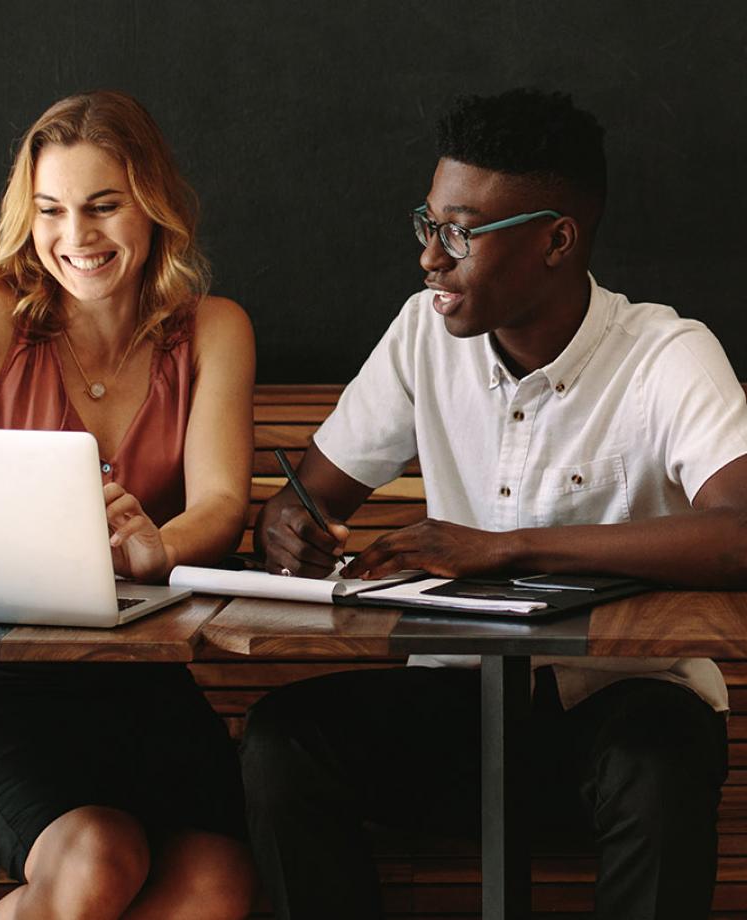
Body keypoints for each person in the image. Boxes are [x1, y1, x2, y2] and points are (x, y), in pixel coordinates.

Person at [243, 88, 747, 920]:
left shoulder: (666, 353)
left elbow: (739, 535)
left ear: (557, 241)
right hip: (461, 707)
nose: (430, 259)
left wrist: (510, 547)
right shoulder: (420, 334)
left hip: (623, 709)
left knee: (660, 766)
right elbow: (311, 496)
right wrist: (286, 524)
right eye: (427, 225)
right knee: (282, 742)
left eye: (460, 233)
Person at [0, 91, 256, 920]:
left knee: (219, 886)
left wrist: (157, 548)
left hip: (147, 690)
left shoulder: (214, 329)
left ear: (153, 206)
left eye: (103, 207)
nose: (76, 238)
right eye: (51, 211)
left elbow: (223, 503)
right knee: (98, 857)